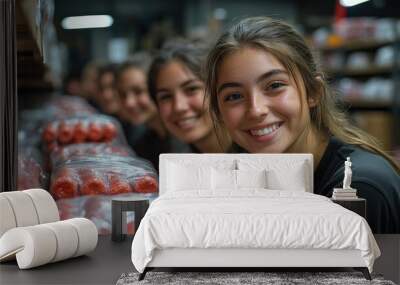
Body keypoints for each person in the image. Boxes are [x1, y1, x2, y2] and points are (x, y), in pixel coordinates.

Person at [205, 17, 400, 233]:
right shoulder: (240, 180)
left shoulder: (359, 190)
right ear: (219, 112)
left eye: (275, 85)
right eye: (234, 96)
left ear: (313, 92)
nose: (256, 109)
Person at [148, 40, 230, 153]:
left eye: (191, 89)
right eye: (166, 96)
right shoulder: (175, 158)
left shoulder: (257, 152)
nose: (179, 106)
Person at [116, 55, 186, 170]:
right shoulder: (143, 142)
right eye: (123, 95)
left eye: (139, 91)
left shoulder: (185, 138)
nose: (129, 102)